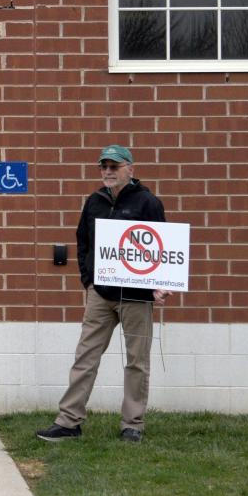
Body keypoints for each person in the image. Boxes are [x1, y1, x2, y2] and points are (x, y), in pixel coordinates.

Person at [36, 145, 172, 443]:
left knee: (137, 361)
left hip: (136, 296)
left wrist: (160, 285)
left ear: (130, 169)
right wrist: (89, 282)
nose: (108, 172)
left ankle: (132, 424)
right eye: (104, 167)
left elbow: (162, 247)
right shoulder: (94, 202)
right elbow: (82, 241)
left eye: (114, 166)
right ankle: (69, 421)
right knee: (85, 356)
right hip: (101, 293)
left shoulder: (148, 202)